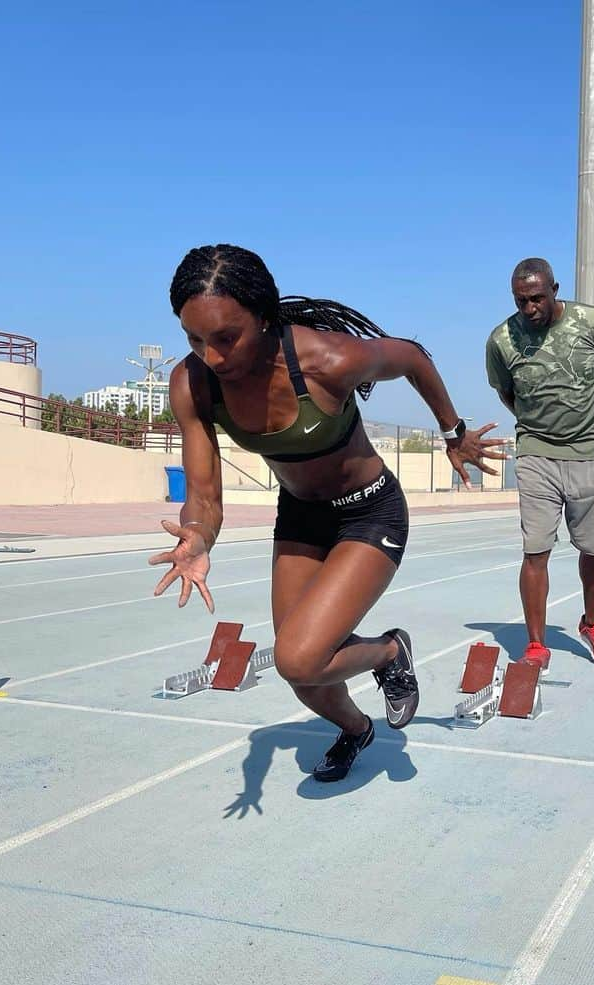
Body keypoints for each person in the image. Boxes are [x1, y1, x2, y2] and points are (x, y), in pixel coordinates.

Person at [150, 244, 504, 782]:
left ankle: (388, 652)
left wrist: (453, 432)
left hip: (369, 513)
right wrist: (198, 535)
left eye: (226, 337)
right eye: (194, 340)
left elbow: (409, 356)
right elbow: (204, 497)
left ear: (264, 317)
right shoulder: (192, 383)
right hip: (300, 518)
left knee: (297, 656)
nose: (212, 356)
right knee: (304, 676)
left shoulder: (327, 360)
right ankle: (357, 729)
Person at [485, 257, 594, 673]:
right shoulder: (501, 341)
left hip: (590, 452)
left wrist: (579, 421)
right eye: (520, 300)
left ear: (555, 289)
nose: (529, 309)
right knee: (535, 552)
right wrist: (537, 425)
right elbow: (507, 394)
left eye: (536, 298)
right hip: (536, 454)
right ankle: (535, 644)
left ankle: (592, 624)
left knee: (593, 550)